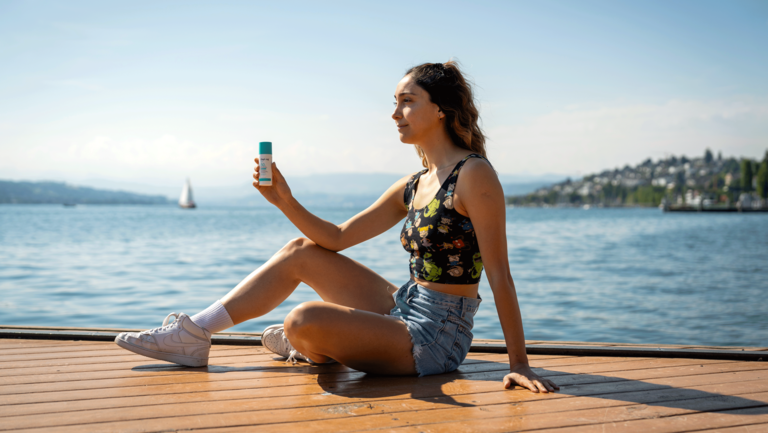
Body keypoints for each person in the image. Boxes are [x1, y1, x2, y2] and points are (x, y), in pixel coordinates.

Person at [115, 61, 559, 393]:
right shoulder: (415, 183)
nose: (395, 113)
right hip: (405, 305)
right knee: (300, 251)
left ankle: (310, 341)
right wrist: (283, 199)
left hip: (438, 336)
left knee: (302, 317)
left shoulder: (474, 174)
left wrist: (519, 362)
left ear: (440, 110)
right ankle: (195, 334)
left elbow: (499, 273)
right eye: (395, 103)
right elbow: (337, 238)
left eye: (408, 101)